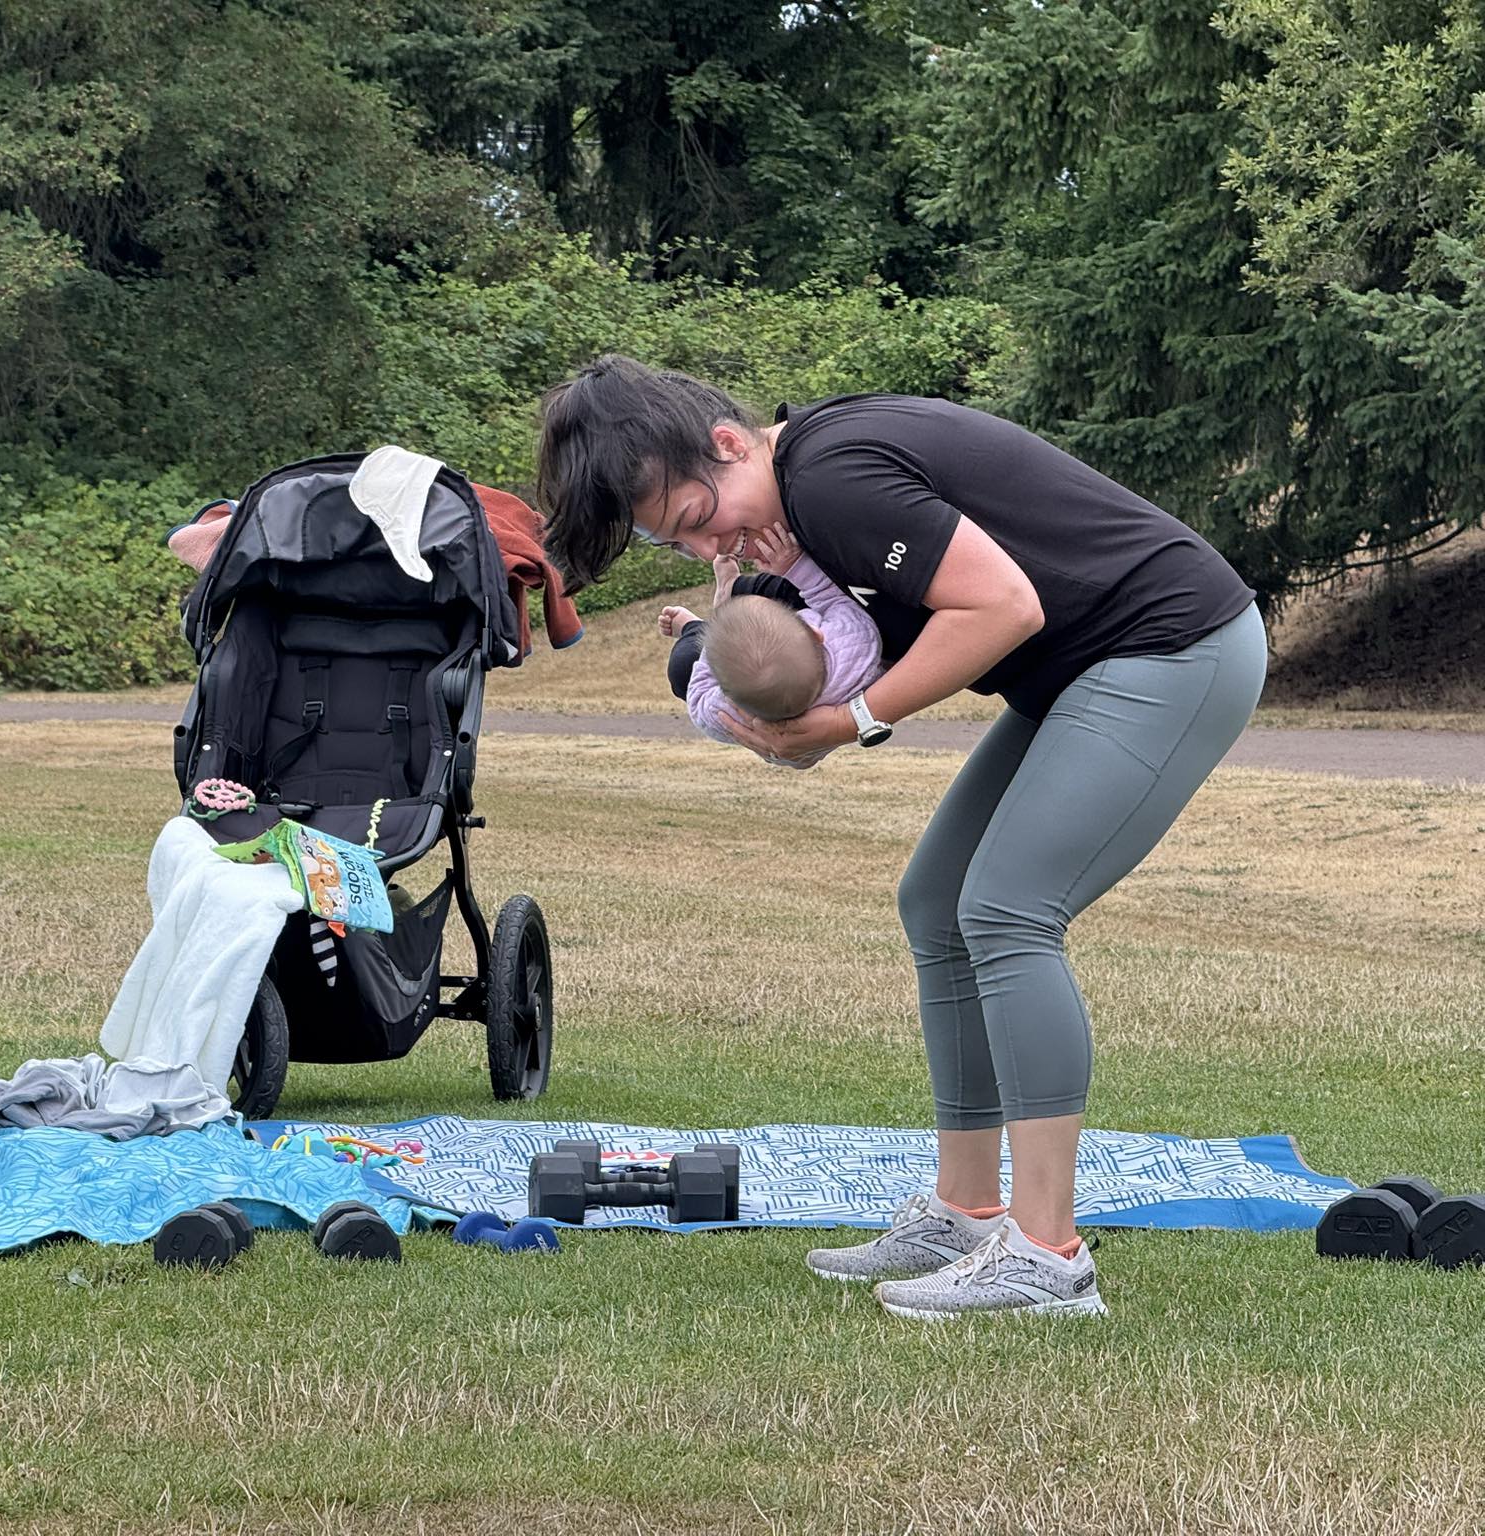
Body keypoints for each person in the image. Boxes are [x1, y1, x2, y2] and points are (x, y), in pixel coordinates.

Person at [537, 356, 1265, 1319]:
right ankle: (967, 1210)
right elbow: (859, 634)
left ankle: (1048, 1258)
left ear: (725, 443)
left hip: (1171, 648)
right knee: (937, 901)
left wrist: (854, 722)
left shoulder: (834, 477)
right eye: (684, 544)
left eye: (699, 518)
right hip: (1085, 671)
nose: (716, 542)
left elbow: (1004, 606)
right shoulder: (804, 495)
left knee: (1007, 911)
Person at [661, 521, 883, 769]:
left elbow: (699, 696)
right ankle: (727, 597)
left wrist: (716, 645)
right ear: (815, 633)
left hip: (738, 671)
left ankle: (705, 619)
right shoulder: (853, 647)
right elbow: (838, 601)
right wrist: (795, 566)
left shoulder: (735, 710)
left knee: (683, 662)